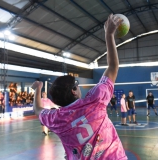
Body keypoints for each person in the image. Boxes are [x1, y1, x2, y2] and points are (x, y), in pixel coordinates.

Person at [31, 14, 127, 160]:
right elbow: (113, 66)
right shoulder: (94, 101)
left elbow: (37, 109)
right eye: (77, 85)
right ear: (73, 91)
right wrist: (109, 35)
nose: (79, 86)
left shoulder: (56, 119)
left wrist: (37, 89)